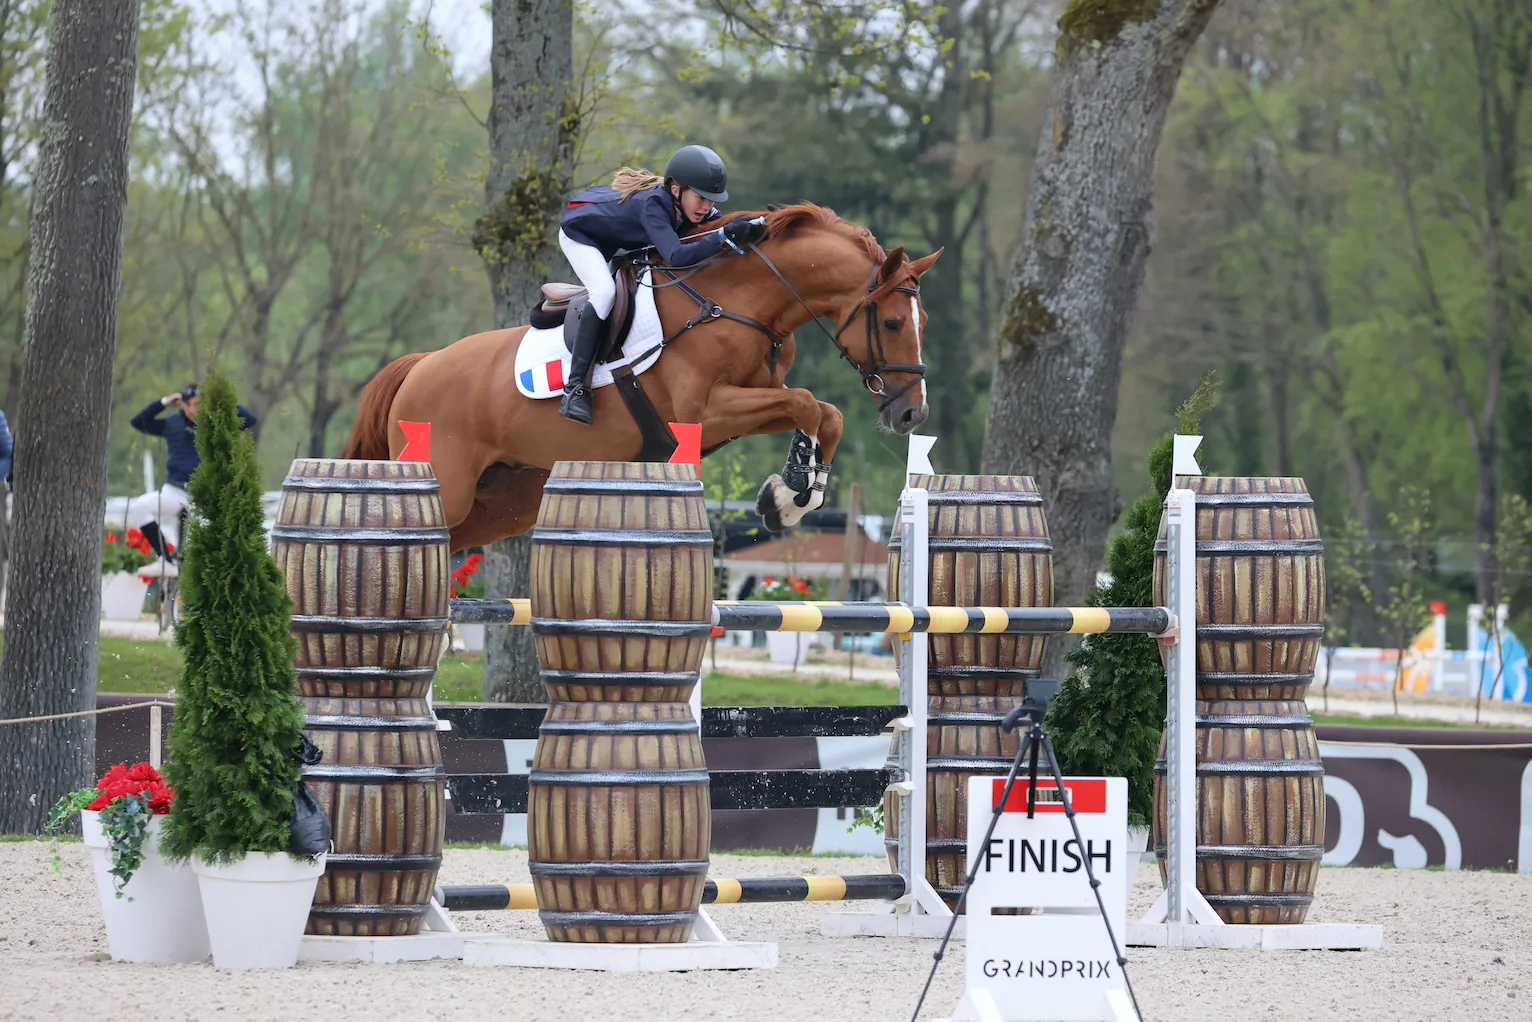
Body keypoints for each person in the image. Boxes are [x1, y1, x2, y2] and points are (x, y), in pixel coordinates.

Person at [555, 144, 767, 425]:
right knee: (604, 293)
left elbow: (722, 224)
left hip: (616, 240)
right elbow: (677, 256)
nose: (707, 207)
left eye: (712, 201)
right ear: (677, 191)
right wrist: (725, 238)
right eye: (701, 198)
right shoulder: (654, 205)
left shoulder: (689, 206)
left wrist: (763, 223)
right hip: (581, 236)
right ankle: (576, 388)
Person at [126, 384, 258, 558]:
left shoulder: (216, 423)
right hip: (175, 490)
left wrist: (221, 401)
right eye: (193, 404)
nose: (197, 408)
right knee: (141, 506)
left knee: (204, 539)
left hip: (204, 494)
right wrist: (164, 403)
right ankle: (165, 559)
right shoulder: (172, 423)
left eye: (201, 403)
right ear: (184, 405)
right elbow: (139, 422)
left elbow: (249, 419)